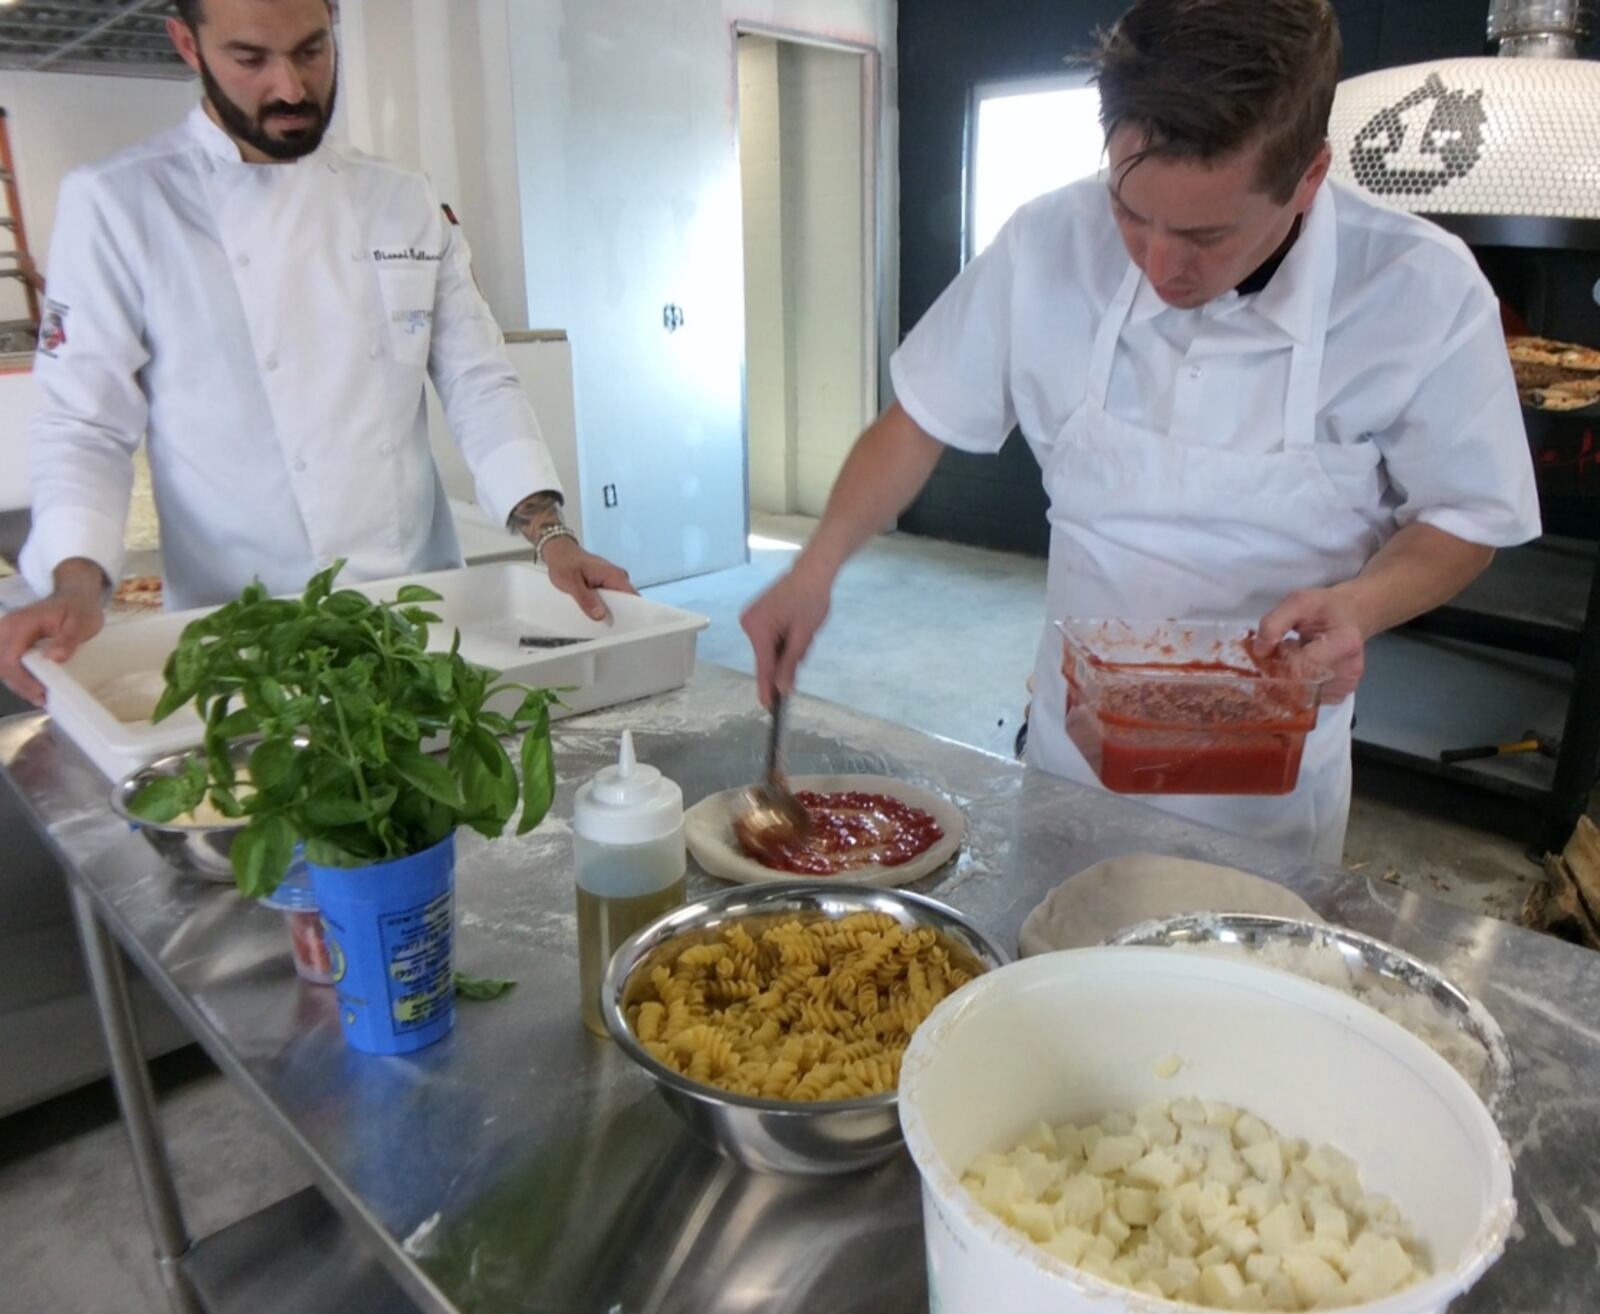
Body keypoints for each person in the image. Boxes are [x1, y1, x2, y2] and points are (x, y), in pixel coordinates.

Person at [740, 0, 1540, 864]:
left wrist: (1359, 607)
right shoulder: (1049, 240)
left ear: (1309, 177)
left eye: (1206, 233)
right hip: (1066, 759)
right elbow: (918, 419)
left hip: (1266, 794)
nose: (1160, 265)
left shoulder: (1419, 290)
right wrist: (814, 568)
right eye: (1131, 212)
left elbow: (1466, 518)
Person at [0, 0, 630, 707]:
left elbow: (478, 380)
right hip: (241, 633)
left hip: (414, 617)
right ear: (187, 43)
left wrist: (552, 538)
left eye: (311, 51)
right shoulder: (120, 204)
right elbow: (85, 425)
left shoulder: (402, 199)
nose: (292, 89)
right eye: (251, 59)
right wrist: (76, 581)